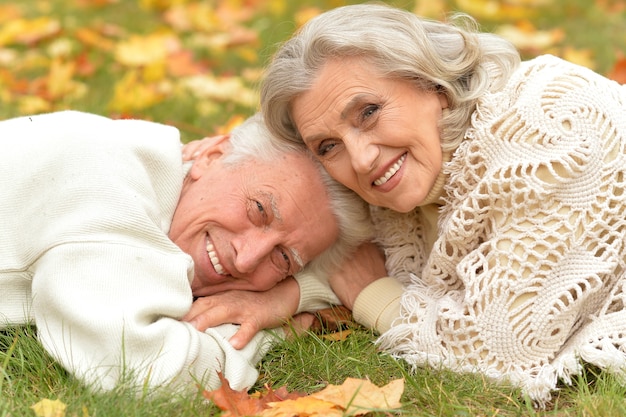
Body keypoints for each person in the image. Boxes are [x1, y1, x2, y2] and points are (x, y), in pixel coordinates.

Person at [259, 3, 626, 404]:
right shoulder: (411, 180)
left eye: (368, 112)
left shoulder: (550, 124)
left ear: (432, 82)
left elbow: (499, 349)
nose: (361, 159)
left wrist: (372, 294)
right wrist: (289, 293)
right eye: (328, 146)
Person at [0, 111, 372, 394]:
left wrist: (286, 298)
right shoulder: (107, 192)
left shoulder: (158, 169)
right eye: (258, 209)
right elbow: (143, 371)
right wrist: (280, 329)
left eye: (283, 258)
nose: (246, 258)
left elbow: (361, 269)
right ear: (213, 154)